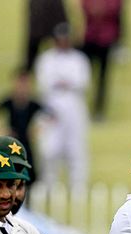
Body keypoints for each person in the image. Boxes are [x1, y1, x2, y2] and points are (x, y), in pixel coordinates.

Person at [35, 22, 91, 191]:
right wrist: (64, 82)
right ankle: (49, 186)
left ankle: (78, 188)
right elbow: (43, 83)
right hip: (52, 108)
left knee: (76, 148)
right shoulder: (46, 59)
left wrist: (64, 82)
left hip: (74, 108)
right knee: (50, 149)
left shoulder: (79, 59)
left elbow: (82, 82)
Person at [0, 69, 47, 185]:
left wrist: (38, 129)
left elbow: (50, 117)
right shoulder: (9, 101)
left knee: (30, 177)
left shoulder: (33, 104)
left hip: (27, 145)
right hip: (11, 146)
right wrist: (1, 130)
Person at [80, 0, 122, 120]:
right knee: (83, 76)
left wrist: (102, 10)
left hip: (105, 40)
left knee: (102, 80)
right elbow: (84, 6)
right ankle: (83, 108)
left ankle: (99, 110)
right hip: (89, 38)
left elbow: (116, 10)